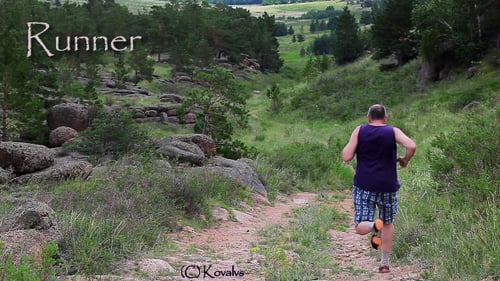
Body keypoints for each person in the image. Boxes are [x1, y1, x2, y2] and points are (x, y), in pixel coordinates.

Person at [341, 104, 416, 273]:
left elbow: (346, 156)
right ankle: (384, 264)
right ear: (385, 118)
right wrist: (405, 159)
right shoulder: (392, 131)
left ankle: (374, 225)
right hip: (388, 186)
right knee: (388, 223)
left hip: (364, 185)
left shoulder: (359, 130)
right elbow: (411, 146)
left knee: (361, 226)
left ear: (368, 117)